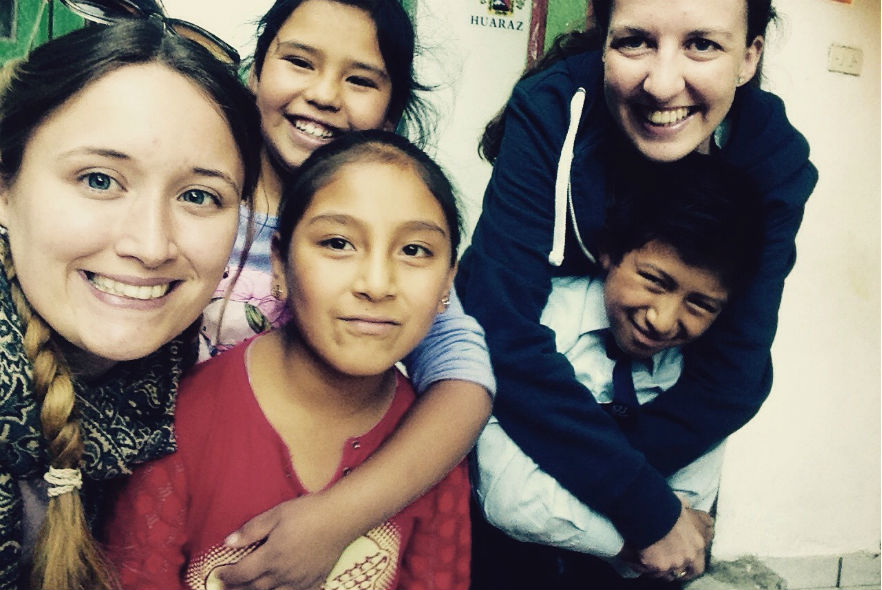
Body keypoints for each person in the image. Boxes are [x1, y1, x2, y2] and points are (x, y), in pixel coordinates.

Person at [456, 0, 818, 583]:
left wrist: (638, 507)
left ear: (750, 55)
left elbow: (733, 377)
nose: (662, 82)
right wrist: (643, 511)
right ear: (601, 41)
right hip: (530, 452)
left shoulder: (773, 159)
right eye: (635, 42)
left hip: (647, 449)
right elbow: (499, 329)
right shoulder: (552, 109)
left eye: (702, 43)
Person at [195, 2, 494, 588]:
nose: (326, 95)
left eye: (361, 79)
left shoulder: (386, 261)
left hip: (318, 518)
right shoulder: (199, 201)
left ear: (390, 112)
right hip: (181, 500)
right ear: (256, 71)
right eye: (299, 62)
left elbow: (465, 386)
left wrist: (337, 518)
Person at [105, 130, 471, 590]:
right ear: (279, 263)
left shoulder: (434, 447)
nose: (377, 284)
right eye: (338, 243)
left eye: (415, 250)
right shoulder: (180, 425)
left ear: (447, 285)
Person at [0, 18, 261, 590]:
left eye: (199, 196)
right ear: (5, 188)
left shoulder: (172, 373)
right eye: (99, 180)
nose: (149, 246)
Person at [472, 152, 762, 588]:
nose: (663, 320)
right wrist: (647, 537)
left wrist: (673, 532)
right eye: (655, 281)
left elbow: (692, 511)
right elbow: (511, 499)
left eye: (700, 304)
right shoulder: (538, 325)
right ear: (609, 253)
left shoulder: (707, 375)